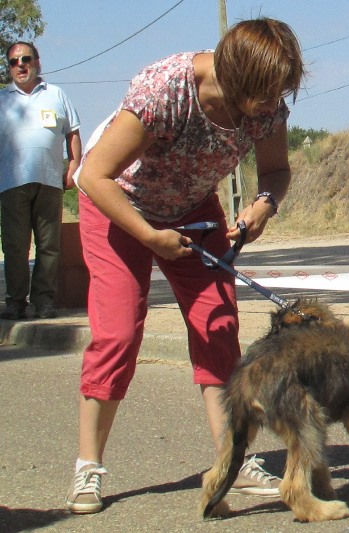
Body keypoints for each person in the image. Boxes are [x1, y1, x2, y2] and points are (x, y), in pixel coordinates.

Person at [64, 18, 305, 514]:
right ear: (238, 78)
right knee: (117, 334)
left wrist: (263, 204)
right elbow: (94, 174)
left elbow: (276, 171)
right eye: (265, 95)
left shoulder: (266, 107)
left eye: (279, 95)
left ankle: (233, 462)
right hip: (119, 206)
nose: (271, 107)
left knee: (219, 327)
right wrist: (149, 236)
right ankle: (88, 468)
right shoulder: (167, 88)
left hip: (192, 212)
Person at [0, 42, 82, 320]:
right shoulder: (2, 99)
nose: (20, 65)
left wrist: (74, 165)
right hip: (12, 183)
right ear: (9, 67)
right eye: (14, 62)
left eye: (26, 59)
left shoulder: (57, 94)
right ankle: (15, 302)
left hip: (50, 181)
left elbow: (72, 133)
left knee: (49, 245)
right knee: (15, 245)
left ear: (37, 62)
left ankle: (44, 301)